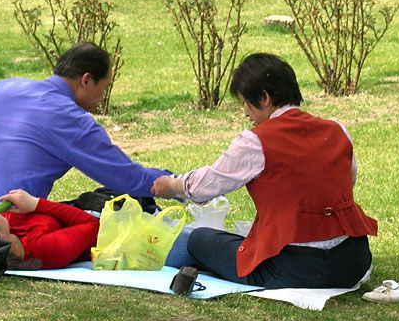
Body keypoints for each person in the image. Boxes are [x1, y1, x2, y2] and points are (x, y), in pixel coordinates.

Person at [151, 53, 378, 289]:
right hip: (352, 262)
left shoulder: (256, 141)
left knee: (199, 240)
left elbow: (206, 185)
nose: (245, 112)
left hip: (292, 268)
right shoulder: (337, 130)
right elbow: (346, 181)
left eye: (245, 103)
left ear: (264, 98)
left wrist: (173, 185)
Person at [0, 44, 171, 205]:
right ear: (86, 80)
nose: (103, 97)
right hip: (5, 224)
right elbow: (126, 178)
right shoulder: (70, 119)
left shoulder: (3, 88)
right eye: (104, 88)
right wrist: (183, 184)